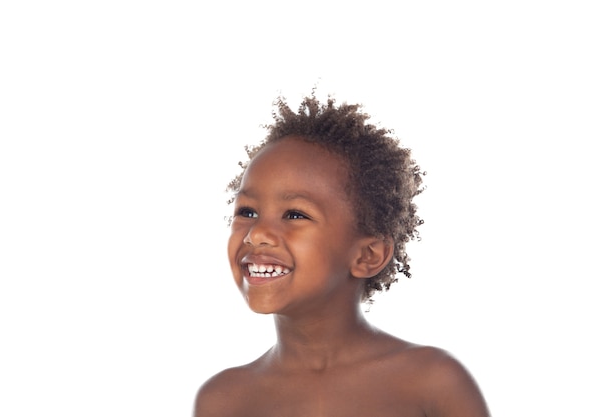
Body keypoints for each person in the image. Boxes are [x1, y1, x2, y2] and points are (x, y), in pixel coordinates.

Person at [193, 94, 490, 417]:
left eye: (294, 214)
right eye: (247, 211)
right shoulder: (224, 400)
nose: (256, 234)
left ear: (367, 255)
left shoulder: (431, 382)